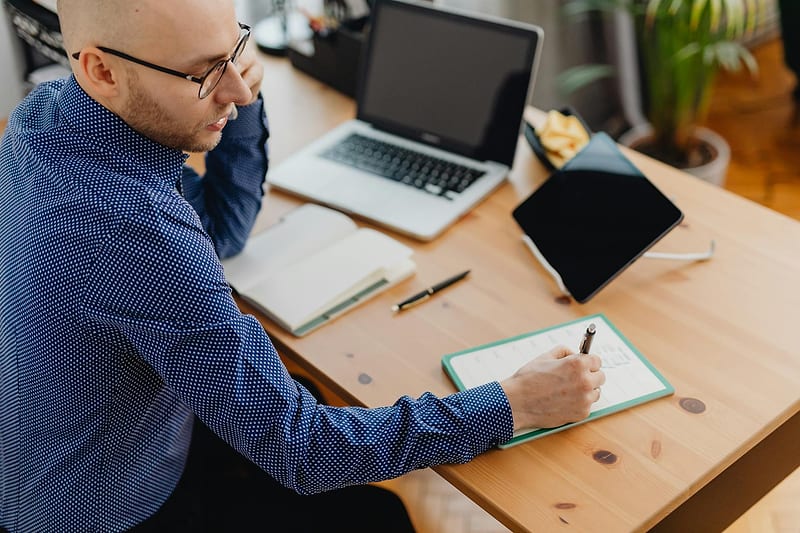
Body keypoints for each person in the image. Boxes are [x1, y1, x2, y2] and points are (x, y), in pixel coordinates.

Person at [0, 0, 606, 531]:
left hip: (73, 442)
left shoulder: (50, 113)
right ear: (101, 70)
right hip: (110, 503)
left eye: (235, 45)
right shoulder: (128, 228)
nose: (239, 89)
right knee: (380, 517)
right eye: (201, 72)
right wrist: (513, 404)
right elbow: (298, 450)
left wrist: (229, 104)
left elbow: (220, 234)